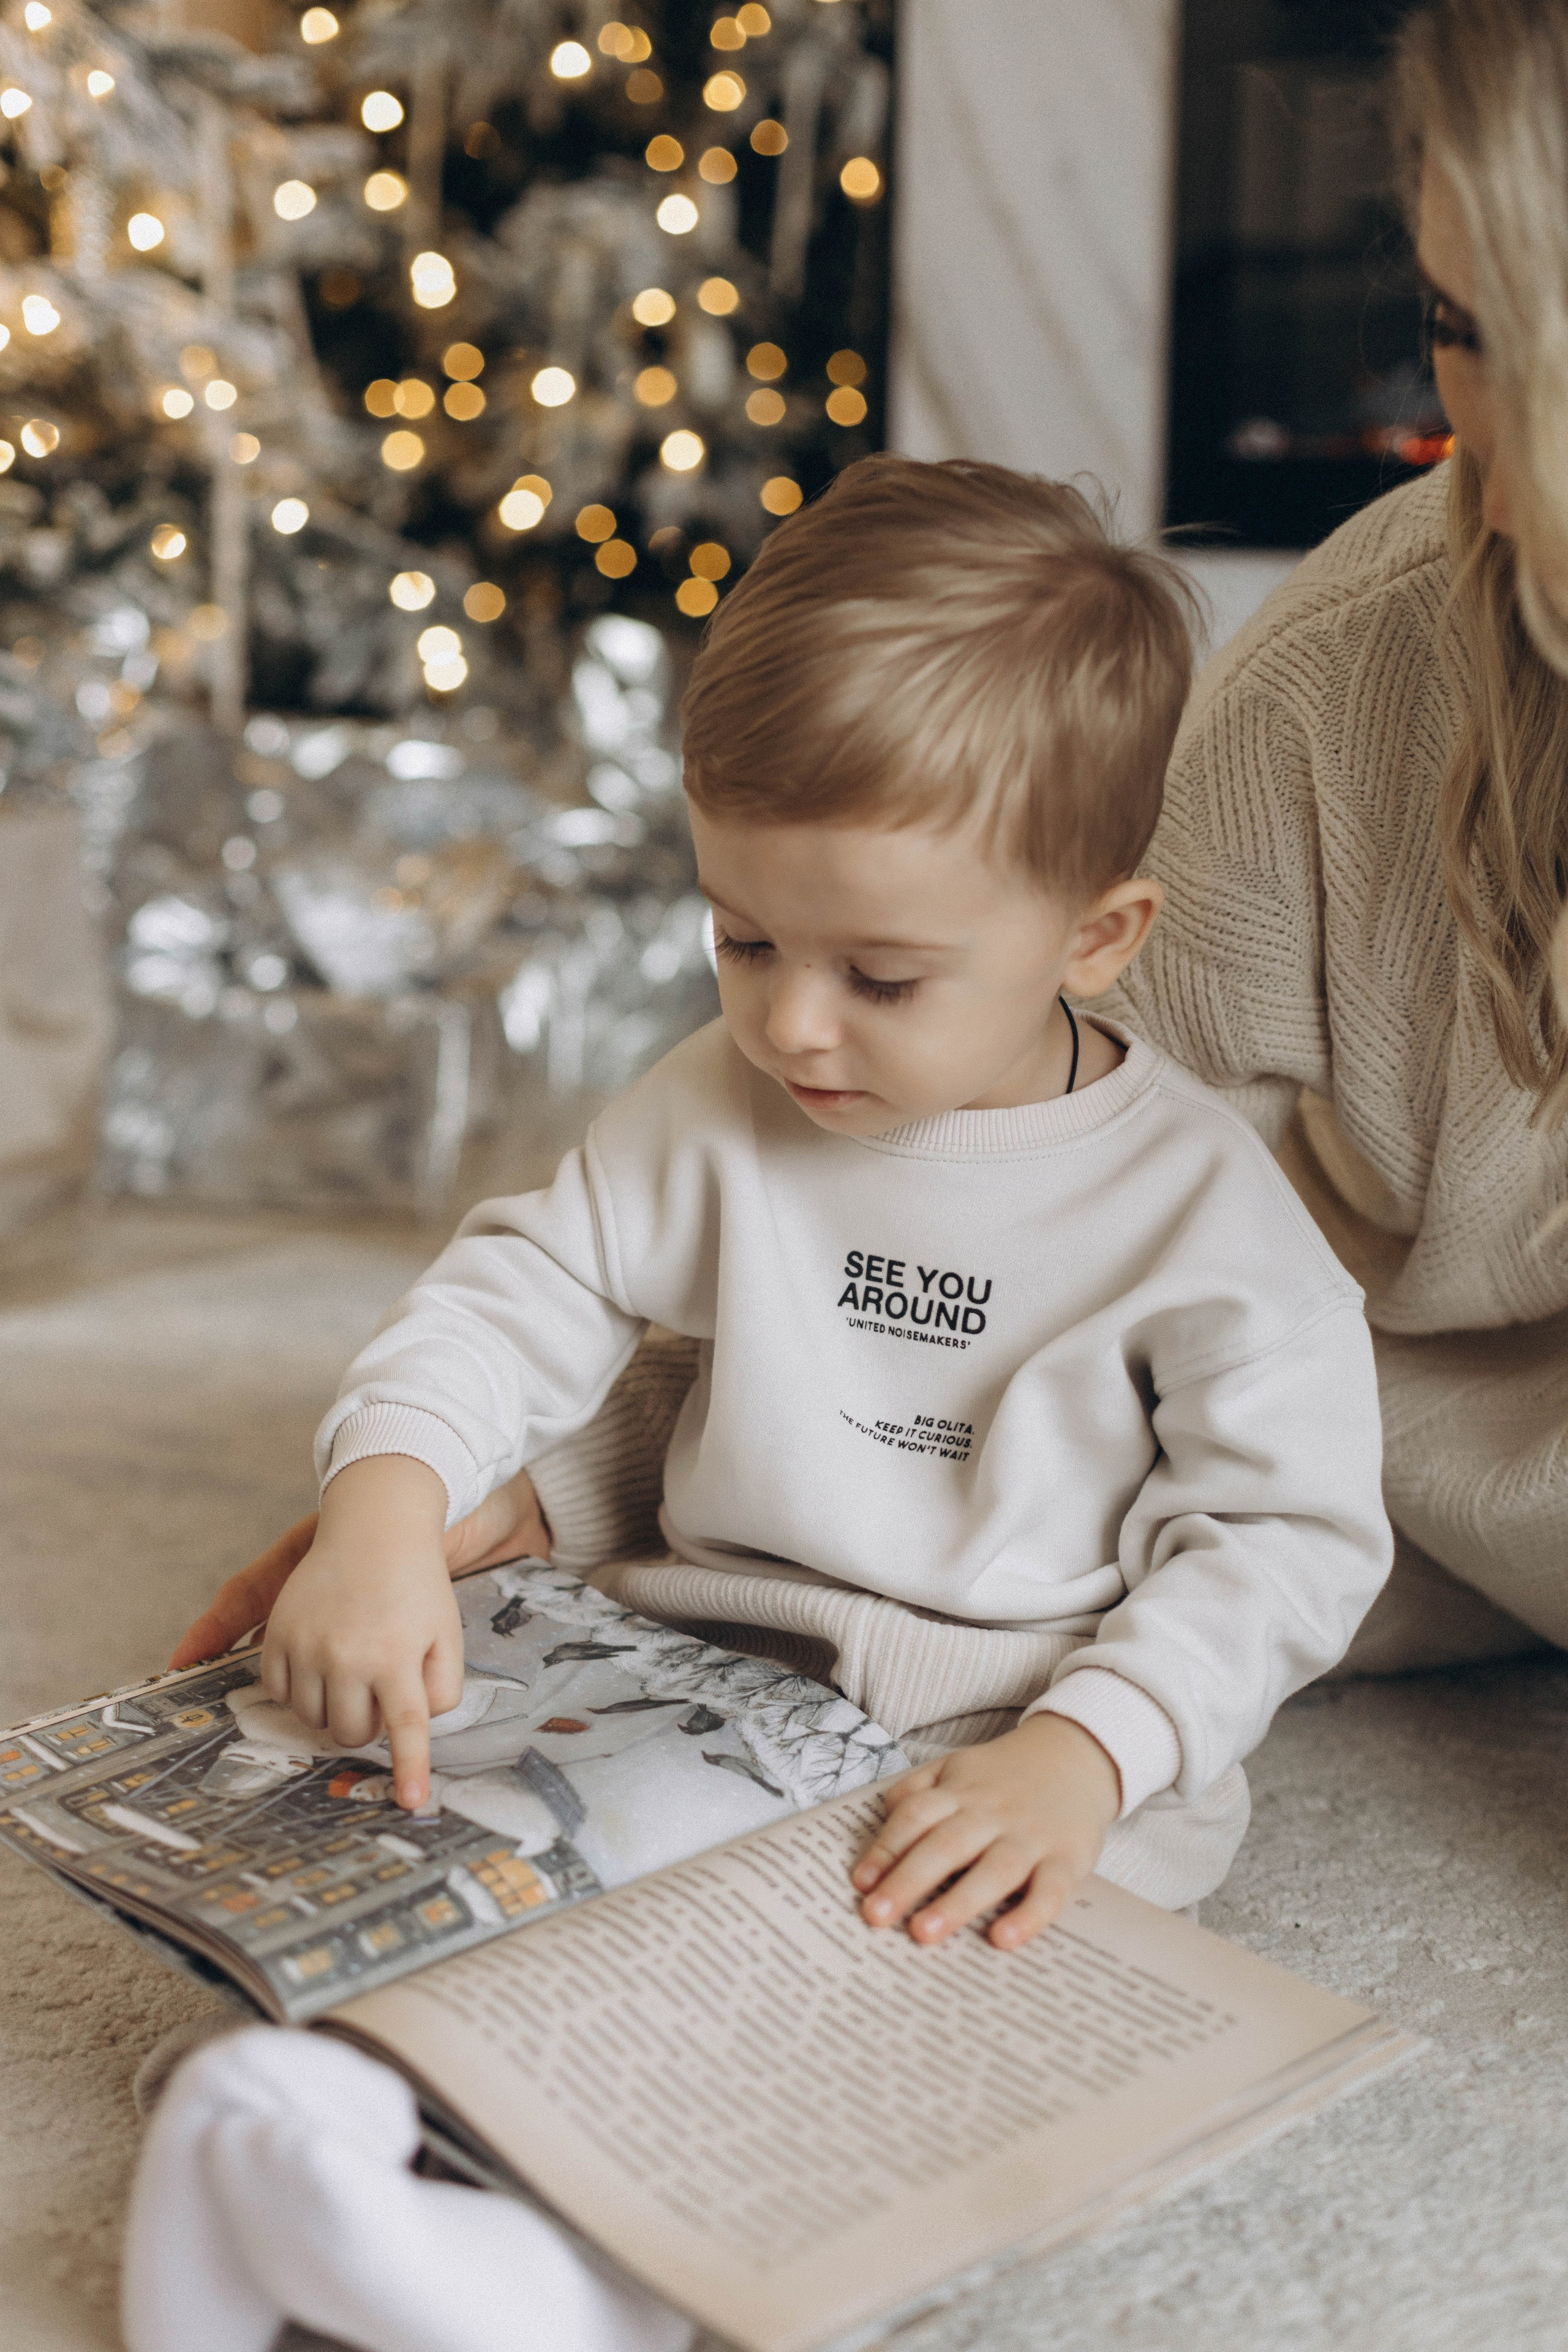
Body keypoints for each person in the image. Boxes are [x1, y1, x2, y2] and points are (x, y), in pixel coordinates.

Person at [129, 454, 1390, 2352]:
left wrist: (1100, 1748)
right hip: (702, 1677)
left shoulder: (1199, 1214)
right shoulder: (716, 1105)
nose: (793, 1025)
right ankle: (313, 2128)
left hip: (1017, 1747)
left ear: (1096, 937)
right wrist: (391, 1502)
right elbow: (523, 1286)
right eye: (743, 940)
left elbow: (1291, 1536)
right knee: (492, 1884)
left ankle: (565, 2299)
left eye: (882, 974)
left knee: (900, 2044)